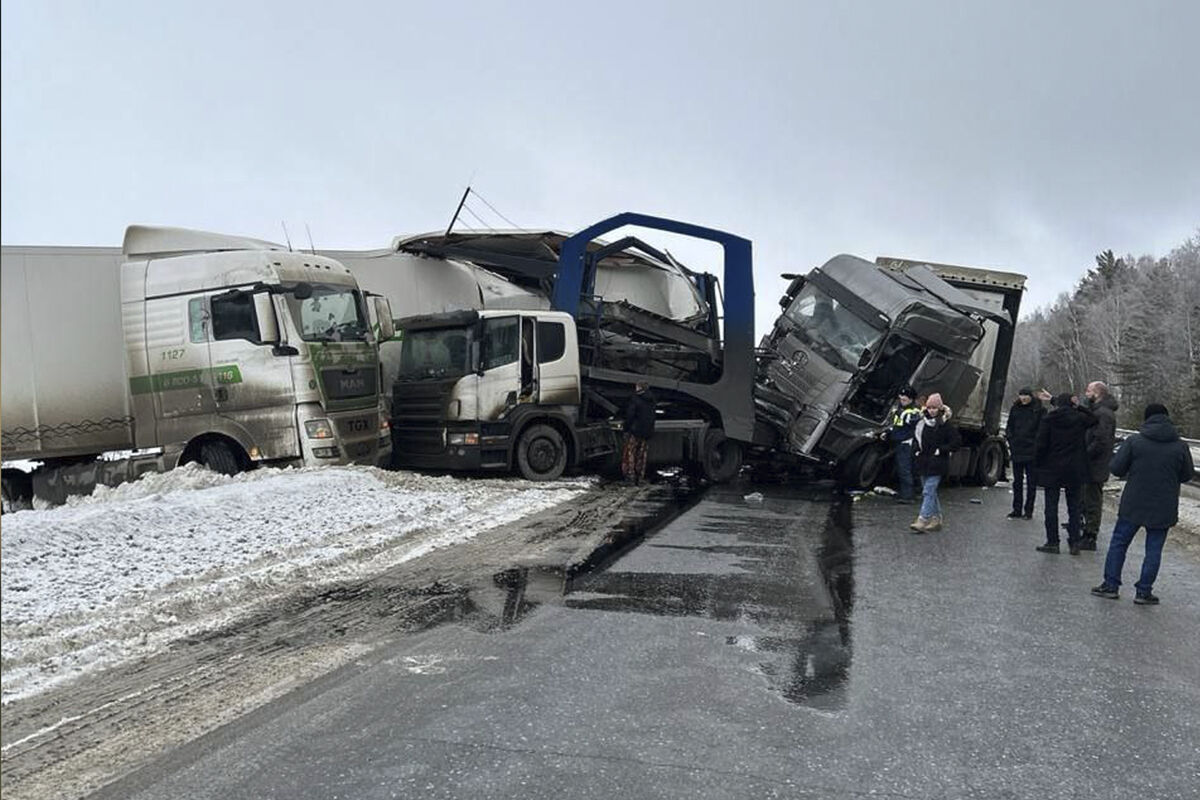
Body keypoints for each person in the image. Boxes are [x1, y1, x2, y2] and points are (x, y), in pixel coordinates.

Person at [1091, 404, 1195, 604]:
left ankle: (1111, 585)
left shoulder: (1135, 441)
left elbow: (1117, 468)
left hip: (1134, 503)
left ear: (1147, 419)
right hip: (1164, 505)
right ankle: (1143, 592)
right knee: (1153, 549)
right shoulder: (1180, 446)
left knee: (1119, 543)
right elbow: (1186, 475)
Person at [1034, 393, 1097, 555]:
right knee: (1074, 506)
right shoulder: (1079, 419)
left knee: (1051, 506)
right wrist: (1079, 407)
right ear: (1072, 404)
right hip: (1075, 469)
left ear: (1057, 404)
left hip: (1052, 467)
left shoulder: (1049, 419)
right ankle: (1075, 541)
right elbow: (1094, 419)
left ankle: (1053, 542)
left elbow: (1041, 444)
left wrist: (1038, 464)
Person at [910, 393, 961, 533]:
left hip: (938, 463)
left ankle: (922, 519)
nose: (932, 410)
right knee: (930, 492)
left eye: (934, 408)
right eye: (930, 407)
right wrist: (915, 450)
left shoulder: (946, 425)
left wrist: (942, 450)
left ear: (940, 409)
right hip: (923, 462)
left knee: (928, 491)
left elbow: (956, 443)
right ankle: (937, 519)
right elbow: (916, 439)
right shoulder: (922, 424)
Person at [1079, 381, 1118, 550]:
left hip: (1095, 464)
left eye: (1088, 390)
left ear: (1098, 393)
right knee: (1086, 498)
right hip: (1091, 463)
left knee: (1092, 500)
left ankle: (1090, 535)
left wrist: (1086, 454)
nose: (1086, 393)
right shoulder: (1096, 411)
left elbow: (1101, 439)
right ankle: (1085, 528)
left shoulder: (1104, 414)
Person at [1004, 387, 1045, 520]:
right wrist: (1011, 439)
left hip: (1032, 451)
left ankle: (1028, 510)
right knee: (1017, 482)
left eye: (1026, 395)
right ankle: (1016, 509)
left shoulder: (1039, 410)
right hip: (1017, 449)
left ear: (1031, 396)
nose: (1023, 398)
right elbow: (1009, 425)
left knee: (1031, 483)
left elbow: (1042, 429)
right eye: (1021, 395)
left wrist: (1036, 445)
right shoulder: (1015, 408)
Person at [883, 386, 922, 504]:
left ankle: (907, 496)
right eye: (901, 398)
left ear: (911, 399)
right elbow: (896, 425)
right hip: (899, 442)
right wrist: (887, 432)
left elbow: (912, 420)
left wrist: (901, 414)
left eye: (904, 399)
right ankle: (915, 491)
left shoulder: (913, 411)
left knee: (904, 469)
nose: (902, 401)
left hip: (906, 444)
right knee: (909, 469)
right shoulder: (901, 410)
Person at [621, 382, 656, 484]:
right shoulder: (652, 399)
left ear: (639, 387)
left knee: (631, 453)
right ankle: (640, 476)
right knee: (642, 455)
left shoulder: (635, 399)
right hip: (647, 432)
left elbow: (630, 416)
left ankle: (630, 476)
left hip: (635, 431)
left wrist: (626, 428)